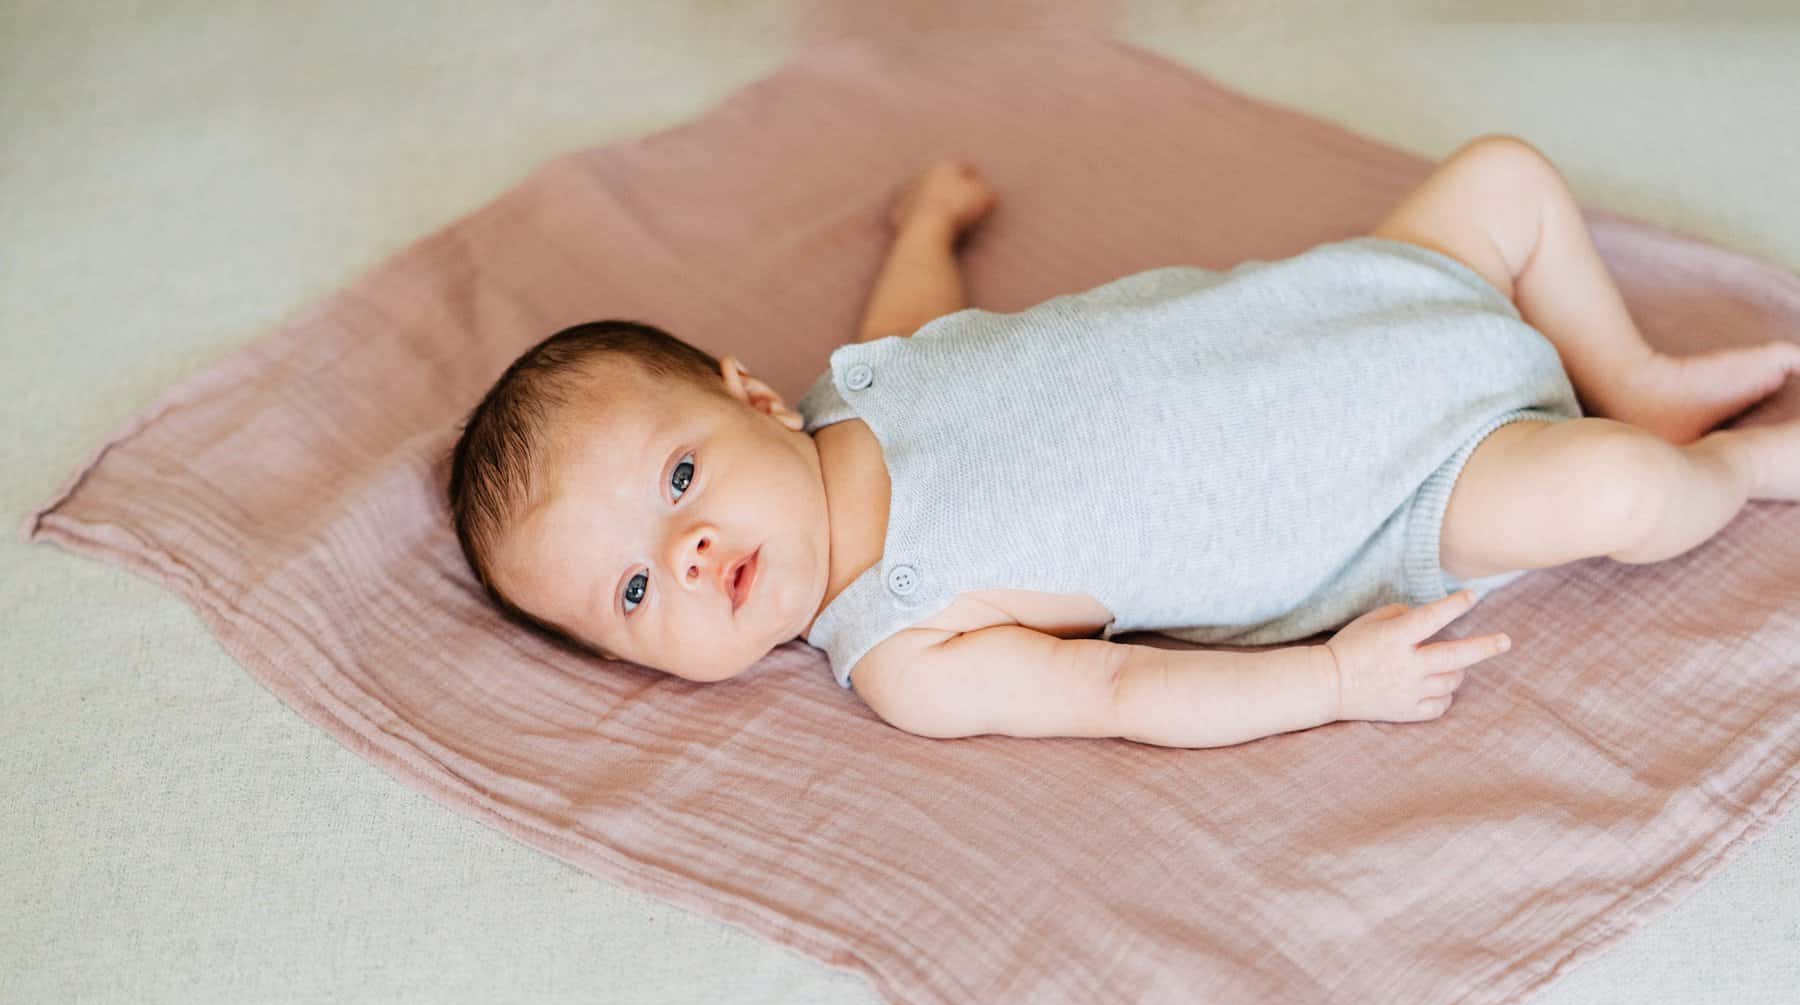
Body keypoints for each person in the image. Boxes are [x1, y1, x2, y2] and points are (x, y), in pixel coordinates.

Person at [446, 136, 1798, 747]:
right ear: (644, 663)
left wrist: (923, 229)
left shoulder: (864, 385)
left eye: (675, 480)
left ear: (751, 399)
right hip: (1392, 498)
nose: (683, 551)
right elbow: (1119, 698)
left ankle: (1636, 370)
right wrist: (1327, 685)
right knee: (1618, 489)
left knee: (1504, 175)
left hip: (1354, 305)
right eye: (633, 593)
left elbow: (931, 331)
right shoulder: (906, 652)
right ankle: (1728, 467)